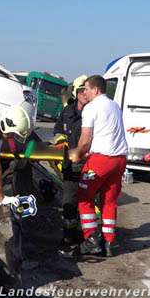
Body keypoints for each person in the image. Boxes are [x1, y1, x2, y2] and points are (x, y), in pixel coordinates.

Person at [68, 75, 128, 257]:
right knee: (109, 200)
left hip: (102, 159)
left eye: (86, 88)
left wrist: (77, 154)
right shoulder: (115, 105)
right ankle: (109, 242)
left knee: (84, 196)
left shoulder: (91, 108)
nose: (83, 92)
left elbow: (85, 140)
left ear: (96, 90)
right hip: (120, 159)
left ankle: (91, 239)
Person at [53, 75, 88, 248]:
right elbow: (58, 129)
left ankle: (88, 236)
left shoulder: (94, 112)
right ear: (76, 92)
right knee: (68, 201)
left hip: (89, 167)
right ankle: (69, 234)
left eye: (86, 90)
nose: (85, 93)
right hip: (70, 167)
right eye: (82, 90)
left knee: (87, 203)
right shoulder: (67, 112)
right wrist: (61, 142)